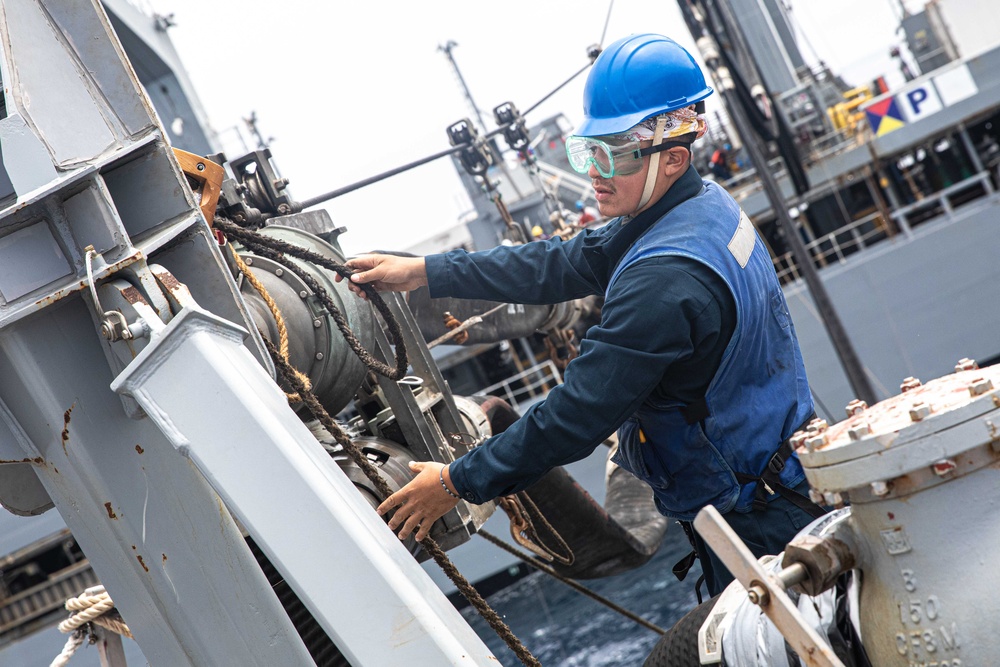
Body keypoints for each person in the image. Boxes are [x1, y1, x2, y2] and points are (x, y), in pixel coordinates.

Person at [337, 33, 823, 598]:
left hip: (754, 521)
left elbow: (575, 416)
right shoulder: (701, 208)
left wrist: (453, 482)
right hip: (778, 484)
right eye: (586, 151)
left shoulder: (662, 281)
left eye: (610, 155)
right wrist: (425, 271)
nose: (593, 172)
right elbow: (557, 262)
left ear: (672, 157)